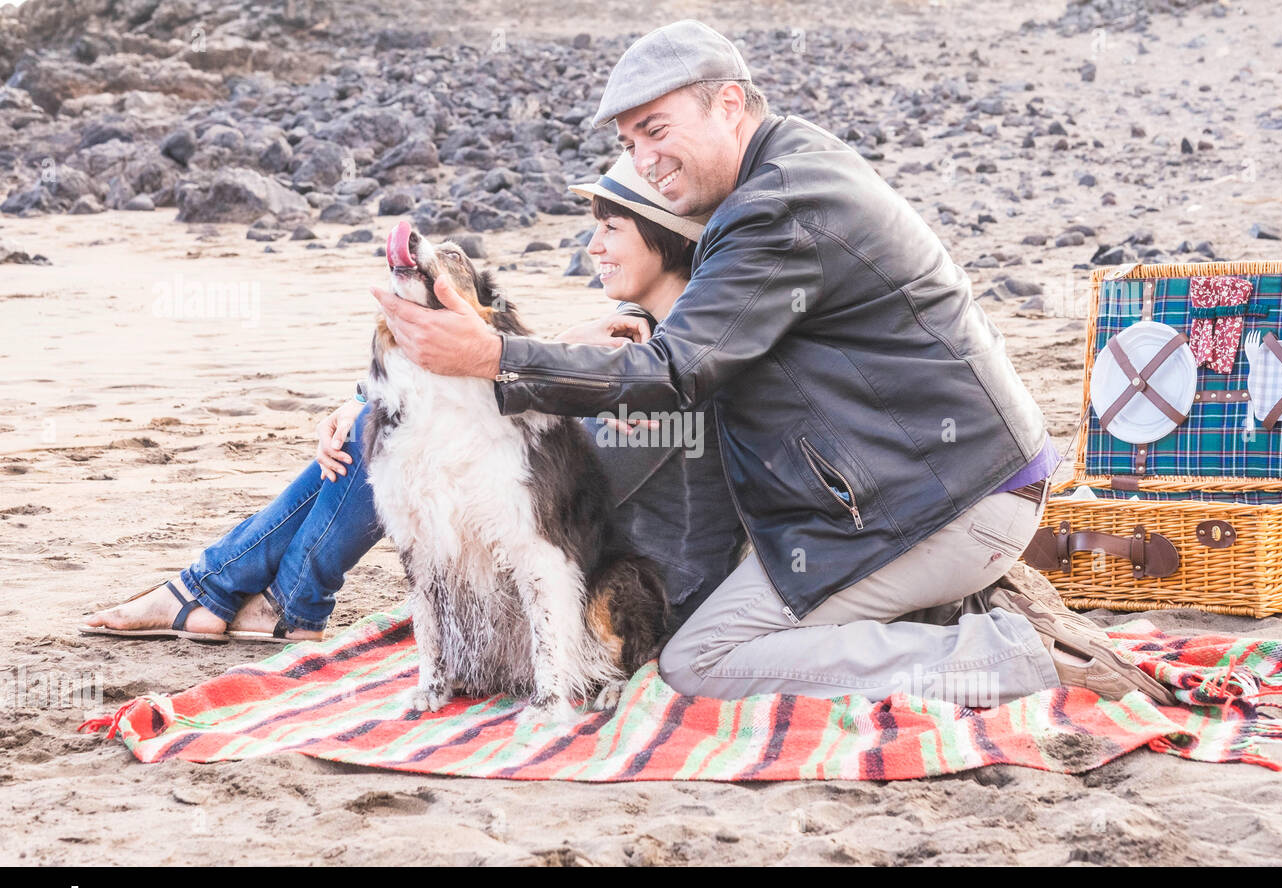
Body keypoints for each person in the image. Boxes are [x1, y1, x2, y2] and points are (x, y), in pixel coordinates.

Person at [370, 20, 1176, 707]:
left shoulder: (777, 209)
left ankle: (1003, 662)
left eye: (657, 130)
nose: (643, 161)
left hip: (945, 504)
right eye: (627, 143)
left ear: (728, 103)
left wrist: (496, 356)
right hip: (916, 490)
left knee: (703, 662)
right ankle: (943, 610)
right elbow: (692, 331)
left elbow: (677, 369)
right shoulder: (782, 174)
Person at [81, 153, 748, 644]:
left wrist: (394, 406)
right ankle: (256, 597)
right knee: (384, 424)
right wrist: (366, 395)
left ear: (668, 236)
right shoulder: (641, 331)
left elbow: (567, 469)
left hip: (622, 598)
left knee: (404, 432)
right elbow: (537, 402)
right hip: (570, 558)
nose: (591, 244)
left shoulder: (673, 359)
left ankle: (234, 593)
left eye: (612, 228)